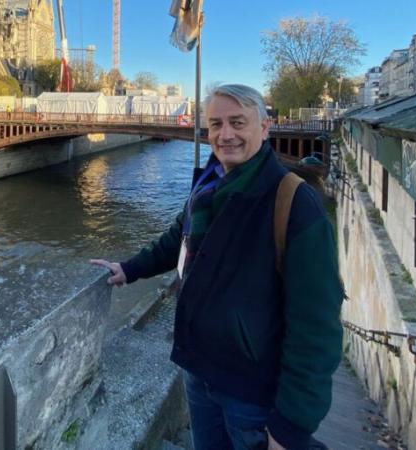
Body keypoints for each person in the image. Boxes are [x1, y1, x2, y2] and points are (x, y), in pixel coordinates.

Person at [91, 84, 343, 450]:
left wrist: (292, 424)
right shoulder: (209, 183)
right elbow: (179, 238)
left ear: (265, 127)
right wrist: (129, 269)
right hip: (200, 370)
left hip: (253, 392)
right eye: (216, 124)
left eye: (238, 122)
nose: (226, 135)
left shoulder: (295, 202)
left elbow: (317, 324)